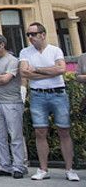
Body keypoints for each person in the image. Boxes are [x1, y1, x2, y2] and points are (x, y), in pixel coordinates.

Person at [19, 22, 78, 181]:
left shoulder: (55, 50)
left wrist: (36, 70)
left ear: (43, 35)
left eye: (33, 34)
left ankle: (69, 168)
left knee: (64, 130)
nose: (30, 37)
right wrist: (49, 72)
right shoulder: (25, 52)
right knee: (40, 131)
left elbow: (61, 69)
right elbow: (24, 72)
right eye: (28, 34)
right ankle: (43, 169)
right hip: (38, 94)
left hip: (58, 93)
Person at [0, 34, 26, 179]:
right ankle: (4, 165)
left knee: (15, 135)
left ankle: (19, 166)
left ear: (2, 45)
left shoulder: (13, 61)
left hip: (12, 102)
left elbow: (6, 79)